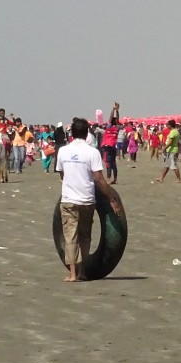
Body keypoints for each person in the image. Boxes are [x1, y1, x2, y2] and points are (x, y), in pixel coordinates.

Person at [55, 117, 123, 282]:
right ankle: (82, 272)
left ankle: (72, 274)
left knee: (71, 237)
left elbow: (62, 173)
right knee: (85, 236)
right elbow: (99, 179)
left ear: (71, 133)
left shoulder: (63, 151)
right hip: (87, 200)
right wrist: (112, 199)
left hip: (69, 199)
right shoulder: (93, 152)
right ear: (87, 134)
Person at [155, 119, 181, 183]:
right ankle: (161, 178)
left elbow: (170, 142)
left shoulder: (173, 132)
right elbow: (179, 142)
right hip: (171, 150)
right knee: (167, 165)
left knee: (174, 165)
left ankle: (178, 179)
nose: (167, 127)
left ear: (170, 125)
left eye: (167, 125)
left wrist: (163, 149)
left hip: (173, 150)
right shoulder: (176, 131)